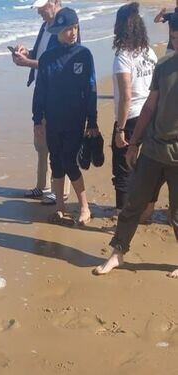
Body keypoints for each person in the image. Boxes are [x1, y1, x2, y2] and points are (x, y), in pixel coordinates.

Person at [95, 16, 178, 277]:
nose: (177, 41)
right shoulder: (163, 64)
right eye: (174, 37)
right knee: (133, 203)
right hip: (153, 149)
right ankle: (117, 254)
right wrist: (134, 144)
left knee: (176, 214)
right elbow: (149, 106)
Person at [32, 7, 98, 225]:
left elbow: (91, 89)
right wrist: (37, 119)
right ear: (58, 31)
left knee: (70, 162)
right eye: (68, 29)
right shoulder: (48, 58)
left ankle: (85, 207)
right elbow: (40, 89)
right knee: (56, 162)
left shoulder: (84, 55)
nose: (73, 32)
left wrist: (92, 120)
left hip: (75, 120)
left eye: (75, 28)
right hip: (52, 120)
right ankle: (60, 207)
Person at [12, 0, 72, 205]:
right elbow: (40, 55)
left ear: (55, 2)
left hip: (59, 93)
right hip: (43, 90)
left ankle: (60, 191)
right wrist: (25, 53)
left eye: (42, 7)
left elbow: (59, 61)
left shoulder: (67, 23)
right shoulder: (45, 26)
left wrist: (27, 63)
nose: (39, 12)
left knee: (58, 142)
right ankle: (43, 185)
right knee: (41, 141)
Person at [111, 2, 158, 220]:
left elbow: (126, 96)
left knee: (123, 167)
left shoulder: (123, 55)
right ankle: (146, 212)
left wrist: (120, 129)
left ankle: (122, 212)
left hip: (130, 118)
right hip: (151, 115)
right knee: (148, 167)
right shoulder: (149, 52)